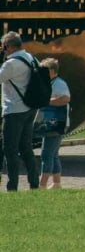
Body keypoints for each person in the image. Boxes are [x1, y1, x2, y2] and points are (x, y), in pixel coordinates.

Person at [1, 32, 42, 192]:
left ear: (9, 47)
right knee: (25, 147)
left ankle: (12, 186)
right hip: (30, 107)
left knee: (10, 149)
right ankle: (34, 181)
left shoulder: (11, 64)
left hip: (14, 110)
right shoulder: (31, 58)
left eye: (4, 47)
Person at [36, 58, 70, 189]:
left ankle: (42, 184)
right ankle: (56, 183)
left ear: (52, 71)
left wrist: (46, 101)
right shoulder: (51, 83)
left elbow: (65, 98)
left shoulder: (59, 83)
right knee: (53, 154)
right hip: (52, 122)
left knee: (46, 154)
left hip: (55, 123)